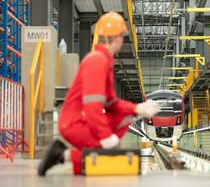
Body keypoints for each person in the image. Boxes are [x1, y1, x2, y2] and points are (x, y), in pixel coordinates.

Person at [38, 11, 160, 176]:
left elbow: (111, 104)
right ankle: (62, 155)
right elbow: (92, 106)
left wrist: (138, 109)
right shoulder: (97, 61)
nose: (122, 41)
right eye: (121, 37)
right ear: (115, 38)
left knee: (126, 116)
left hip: (82, 120)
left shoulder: (104, 62)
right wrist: (105, 138)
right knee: (103, 153)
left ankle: (66, 155)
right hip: (75, 123)